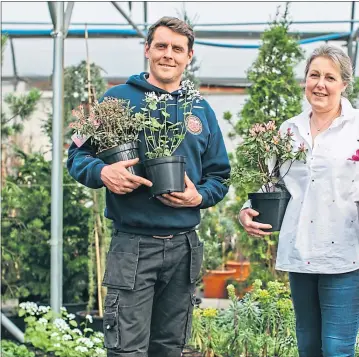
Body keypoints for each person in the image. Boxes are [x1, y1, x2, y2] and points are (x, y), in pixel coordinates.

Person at [67, 16, 230, 357]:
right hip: (133, 246)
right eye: (161, 46)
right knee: (126, 349)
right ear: (147, 50)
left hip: (184, 248)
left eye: (177, 49)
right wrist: (102, 173)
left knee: (170, 347)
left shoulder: (201, 109)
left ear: (189, 56)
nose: (168, 54)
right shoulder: (114, 99)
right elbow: (75, 155)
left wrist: (198, 195)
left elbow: (220, 176)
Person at [239, 44, 359, 357]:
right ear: (305, 81)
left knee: (336, 348)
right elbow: (272, 181)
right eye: (314, 75)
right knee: (307, 344)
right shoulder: (289, 130)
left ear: (344, 84)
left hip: (346, 252)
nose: (320, 84)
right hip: (301, 248)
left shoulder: (357, 128)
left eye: (330, 78)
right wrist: (247, 210)